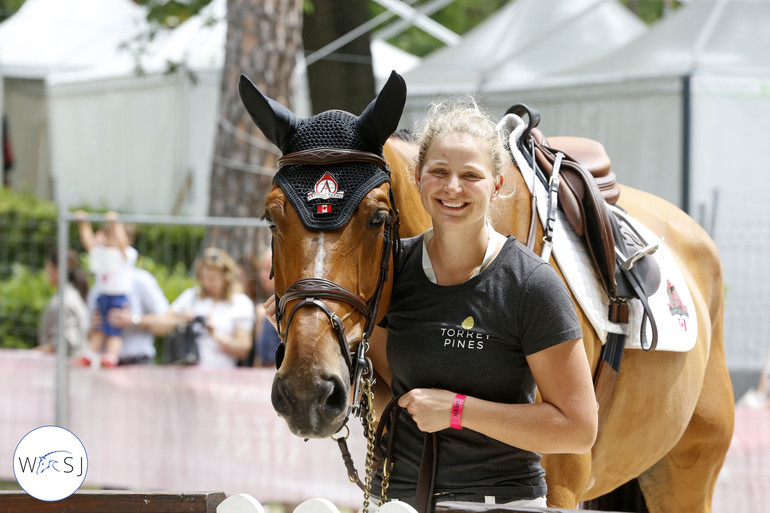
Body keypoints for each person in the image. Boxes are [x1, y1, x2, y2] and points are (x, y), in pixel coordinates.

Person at [361, 99, 598, 508]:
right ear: (417, 178)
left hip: (498, 503)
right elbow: (386, 388)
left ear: (498, 184)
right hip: (399, 500)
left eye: (470, 175)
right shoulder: (390, 269)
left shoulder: (530, 284)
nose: (452, 188)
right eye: (439, 172)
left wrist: (458, 411)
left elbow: (578, 428)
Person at [163, 247, 255, 369]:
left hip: (221, 374)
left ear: (226, 277)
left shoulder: (240, 302)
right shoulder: (191, 296)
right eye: (204, 277)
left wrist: (215, 334)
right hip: (186, 373)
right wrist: (181, 320)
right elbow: (161, 324)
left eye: (212, 278)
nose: (207, 283)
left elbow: (243, 349)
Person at [75, 210, 137, 367]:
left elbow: (122, 242)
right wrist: (84, 223)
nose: (110, 240)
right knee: (99, 327)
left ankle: (111, 356)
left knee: (114, 330)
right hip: (103, 296)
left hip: (118, 297)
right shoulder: (102, 253)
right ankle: (90, 354)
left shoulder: (127, 255)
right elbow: (89, 243)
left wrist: (115, 223)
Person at [36, 248, 90, 356]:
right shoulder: (72, 295)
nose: (47, 273)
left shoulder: (63, 301)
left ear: (58, 269)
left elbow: (63, 344)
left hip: (64, 368)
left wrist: (29, 355)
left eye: (49, 268)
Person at [253, 249, 281, 367]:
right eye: (261, 270)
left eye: (268, 269)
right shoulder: (262, 308)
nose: (263, 276)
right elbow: (259, 357)